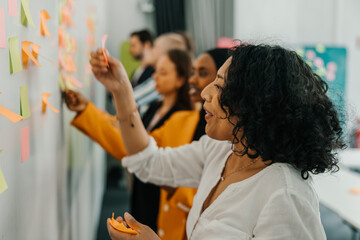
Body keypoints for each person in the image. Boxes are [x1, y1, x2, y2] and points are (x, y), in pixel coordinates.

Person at [89, 43, 345, 239]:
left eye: (219, 86)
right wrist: (121, 89)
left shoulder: (285, 195)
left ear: (255, 103)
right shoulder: (223, 150)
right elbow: (151, 162)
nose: (204, 92)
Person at [66, 48, 229, 240]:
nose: (199, 85)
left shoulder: (237, 160)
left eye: (206, 76)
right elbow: (145, 154)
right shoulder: (192, 129)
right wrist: (117, 92)